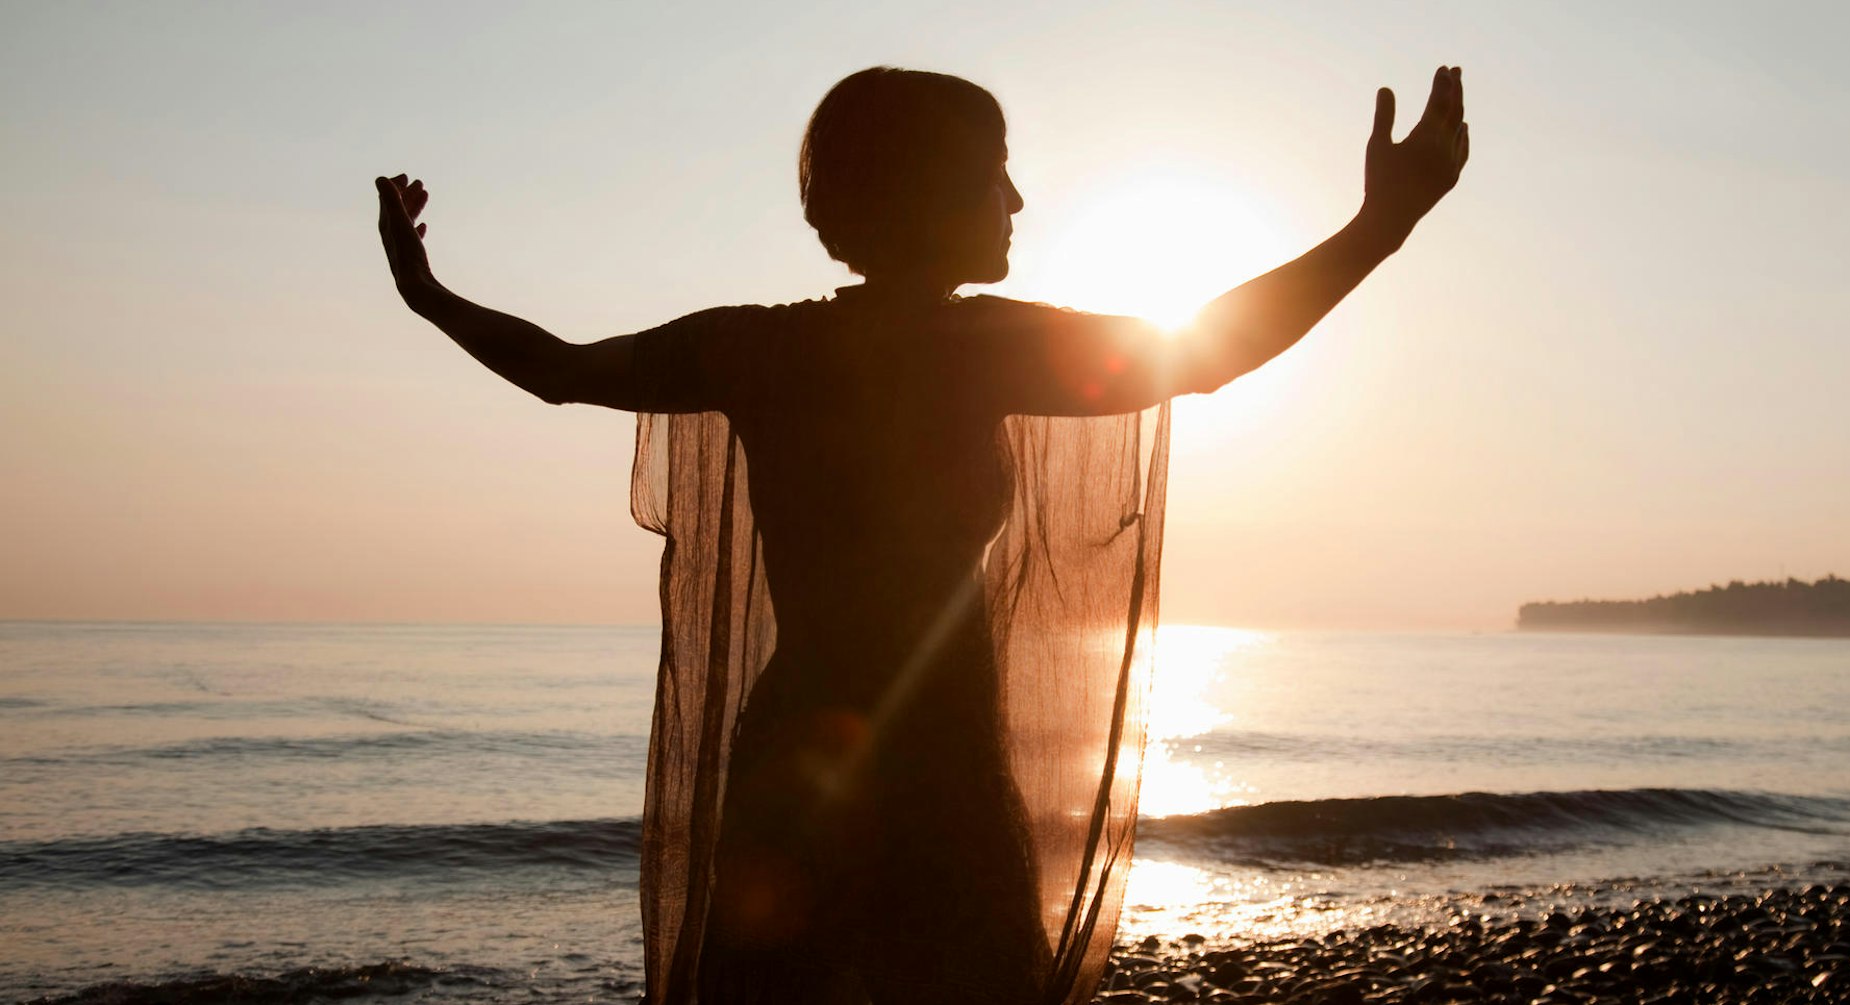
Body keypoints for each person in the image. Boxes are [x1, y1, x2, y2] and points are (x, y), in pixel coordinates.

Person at [376, 64, 1466, 1005]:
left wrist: (427, 295)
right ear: (929, 190)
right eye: (996, 173)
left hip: (795, 756)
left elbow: (560, 370)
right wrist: (1381, 226)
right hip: (937, 770)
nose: (1016, 199)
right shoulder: (973, 349)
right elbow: (1211, 349)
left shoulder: (760, 349)